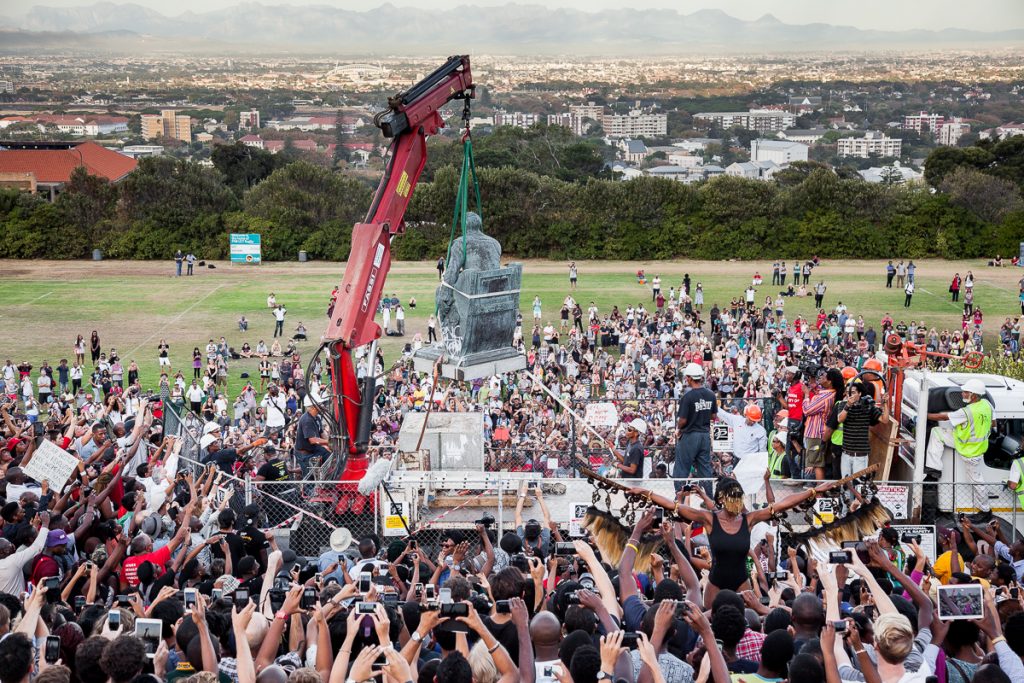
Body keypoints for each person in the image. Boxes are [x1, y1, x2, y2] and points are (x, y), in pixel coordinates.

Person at [926, 378, 994, 522]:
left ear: (974, 395)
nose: (962, 394)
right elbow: (993, 422)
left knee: (976, 481)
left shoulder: (967, 411)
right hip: (976, 446)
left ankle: (985, 511)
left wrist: (922, 415)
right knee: (937, 432)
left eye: (966, 392)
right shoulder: (987, 405)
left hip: (968, 449)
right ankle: (934, 469)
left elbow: (942, 416)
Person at [674, 363, 717, 493]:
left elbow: (682, 420)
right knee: (705, 469)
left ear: (689, 378)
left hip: (690, 435)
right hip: (704, 435)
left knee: (681, 468)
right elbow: (713, 416)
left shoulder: (687, 397)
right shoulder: (710, 394)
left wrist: (678, 429)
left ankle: (679, 500)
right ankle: (710, 500)